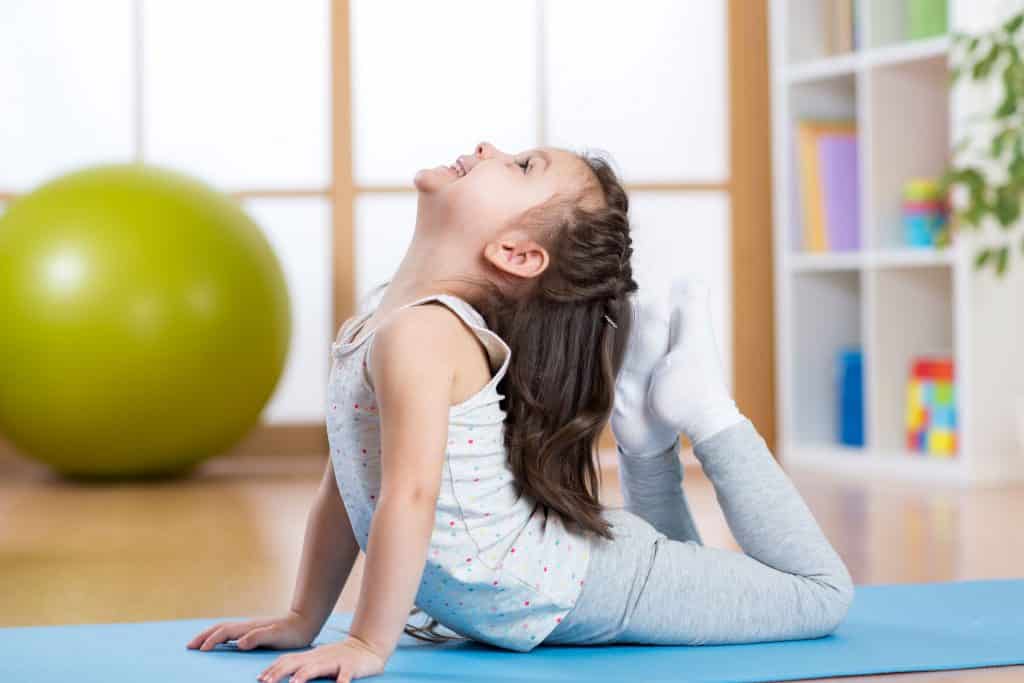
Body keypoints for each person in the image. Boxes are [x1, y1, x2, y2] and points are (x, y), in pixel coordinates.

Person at [185, 142, 854, 683]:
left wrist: (365, 640)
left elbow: (410, 496)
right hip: (562, 579)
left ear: (518, 253)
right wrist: (306, 613)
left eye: (523, 165)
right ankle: (647, 435)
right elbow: (351, 485)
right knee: (690, 574)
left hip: (590, 584)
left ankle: (703, 408)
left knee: (820, 594)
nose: (488, 146)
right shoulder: (382, 315)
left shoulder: (423, 335)